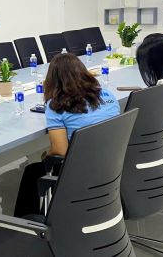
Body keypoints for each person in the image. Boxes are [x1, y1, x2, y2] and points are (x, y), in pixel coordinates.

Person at [13, 54, 120, 217]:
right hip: (112, 164)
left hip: (80, 171)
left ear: (52, 80)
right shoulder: (107, 94)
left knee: (32, 171)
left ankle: (25, 225)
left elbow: (60, 151)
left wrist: (46, 156)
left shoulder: (56, 105)